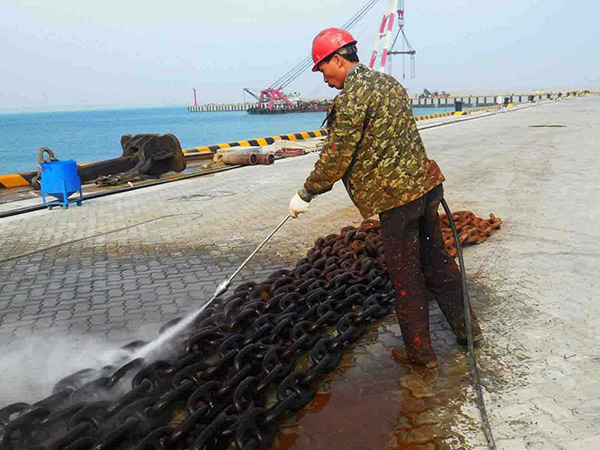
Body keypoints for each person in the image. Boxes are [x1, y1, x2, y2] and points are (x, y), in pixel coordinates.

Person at [288, 28, 482, 368]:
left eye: (322, 68)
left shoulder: (350, 98)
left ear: (337, 60)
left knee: (406, 276)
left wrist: (306, 193)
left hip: (397, 202)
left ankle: (421, 356)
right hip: (426, 188)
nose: (323, 77)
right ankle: (468, 331)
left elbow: (336, 156)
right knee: (438, 263)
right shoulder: (389, 84)